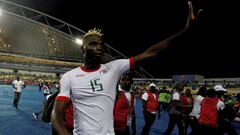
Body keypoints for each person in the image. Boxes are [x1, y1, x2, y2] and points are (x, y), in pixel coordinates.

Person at [51, 1, 202, 135]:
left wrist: (185, 31)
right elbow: (56, 115)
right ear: (82, 49)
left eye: (101, 45)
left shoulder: (113, 68)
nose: (99, 48)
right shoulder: (70, 76)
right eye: (93, 44)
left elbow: (151, 52)